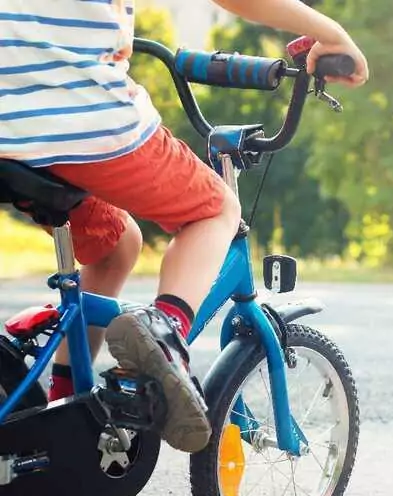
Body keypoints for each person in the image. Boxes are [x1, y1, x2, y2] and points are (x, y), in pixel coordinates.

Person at [0, 0, 368, 453]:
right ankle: (164, 332)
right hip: (75, 112)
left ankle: (62, 419)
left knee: (115, 244)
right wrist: (329, 30)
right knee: (213, 209)